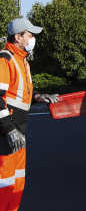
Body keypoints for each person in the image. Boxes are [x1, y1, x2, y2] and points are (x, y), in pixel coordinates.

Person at [0, 18, 59, 211]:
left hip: (19, 133)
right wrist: (10, 130)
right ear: (18, 37)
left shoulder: (23, 61)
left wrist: (39, 97)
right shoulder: (5, 58)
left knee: (17, 183)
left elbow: (19, 93)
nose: (33, 39)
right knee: (5, 186)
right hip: (6, 135)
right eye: (30, 35)